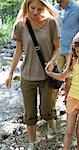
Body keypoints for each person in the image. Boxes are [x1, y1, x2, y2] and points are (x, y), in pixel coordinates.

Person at [5, 0, 60, 149]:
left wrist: (53, 61)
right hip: (27, 76)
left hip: (46, 75)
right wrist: (10, 74)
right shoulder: (20, 25)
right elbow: (18, 51)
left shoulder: (51, 23)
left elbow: (57, 49)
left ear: (45, 8)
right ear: (27, 6)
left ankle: (50, 123)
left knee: (45, 109)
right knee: (30, 113)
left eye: (39, 9)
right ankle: (32, 143)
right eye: (32, 8)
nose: (35, 12)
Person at [45, 31, 79, 150]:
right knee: (69, 131)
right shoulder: (74, 61)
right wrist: (50, 73)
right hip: (72, 99)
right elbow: (62, 76)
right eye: (77, 51)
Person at [54, 0, 79, 99]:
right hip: (57, 50)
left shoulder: (78, 8)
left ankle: (68, 105)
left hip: (73, 51)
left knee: (70, 79)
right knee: (54, 79)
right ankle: (51, 109)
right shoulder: (53, 9)